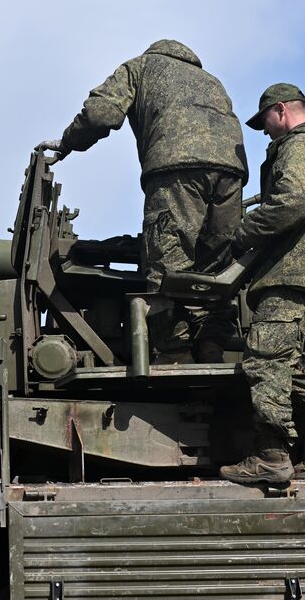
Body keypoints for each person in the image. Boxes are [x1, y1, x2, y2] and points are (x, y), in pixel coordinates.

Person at [38, 39, 248, 362]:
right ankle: (211, 346)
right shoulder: (212, 81)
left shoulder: (141, 67)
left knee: (167, 261)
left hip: (177, 167)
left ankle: (172, 351)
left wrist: (67, 142)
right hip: (232, 172)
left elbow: (100, 113)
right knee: (216, 267)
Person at [220, 83, 305, 487]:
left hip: (293, 272)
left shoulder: (301, 143)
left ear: (281, 111)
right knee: (304, 366)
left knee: (266, 360)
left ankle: (272, 456)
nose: (266, 132)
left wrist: (245, 233)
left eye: (266, 123)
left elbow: (294, 200)